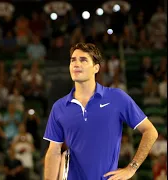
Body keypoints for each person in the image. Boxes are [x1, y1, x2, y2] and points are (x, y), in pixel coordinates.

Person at [43, 43, 158, 180]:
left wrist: (131, 168)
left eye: (83, 60)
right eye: (73, 60)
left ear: (96, 68)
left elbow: (150, 131)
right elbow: (54, 151)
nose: (76, 64)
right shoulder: (59, 107)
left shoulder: (116, 97)